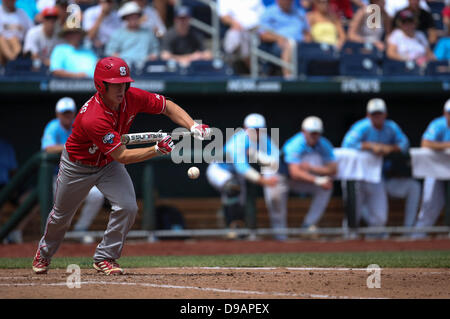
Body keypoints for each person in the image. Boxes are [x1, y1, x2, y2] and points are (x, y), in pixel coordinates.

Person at [32, 56, 211, 275]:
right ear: (101, 85)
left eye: (124, 83)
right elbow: (123, 155)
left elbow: (167, 106)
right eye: (115, 84)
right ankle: (44, 252)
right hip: (78, 165)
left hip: (107, 163)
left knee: (128, 207)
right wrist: (156, 150)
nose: (121, 88)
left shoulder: (132, 97)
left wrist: (192, 125)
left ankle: (105, 257)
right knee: (61, 216)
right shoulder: (93, 118)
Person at [341, 98, 421, 229]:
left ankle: (375, 240)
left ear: (385, 114)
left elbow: (405, 144)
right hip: (358, 177)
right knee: (352, 215)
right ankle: (348, 241)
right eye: (374, 114)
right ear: (368, 115)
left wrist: (389, 148)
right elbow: (346, 144)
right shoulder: (361, 127)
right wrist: (371, 146)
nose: (377, 117)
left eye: (379, 114)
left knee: (380, 218)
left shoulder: (391, 127)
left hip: (377, 177)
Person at [206, 114, 284, 240]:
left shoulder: (264, 139)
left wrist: (257, 155)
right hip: (220, 170)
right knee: (232, 187)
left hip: (238, 175)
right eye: (253, 129)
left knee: (245, 199)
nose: (256, 132)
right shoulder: (239, 140)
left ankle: (246, 232)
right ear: (245, 128)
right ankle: (230, 228)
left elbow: (275, 160)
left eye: (259, 129)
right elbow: (242, 168)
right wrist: (264, 180)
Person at [41, 97, 105, 243]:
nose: (67, 116)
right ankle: (48, 238)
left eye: (69, 113)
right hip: (56, 177)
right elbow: (48, 148)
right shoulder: (53, 126)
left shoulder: (78, 125)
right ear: (58, 114)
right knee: (59, 207)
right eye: (64, 113)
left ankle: (80, 230)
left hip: (78, 175)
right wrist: (72, 147)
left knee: (96, 195)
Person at [280, 116, 337, 232]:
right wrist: (318, 180)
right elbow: (294, 172)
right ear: (304, 132)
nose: (314, 136)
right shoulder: (295, 144)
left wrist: (312, 168)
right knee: (276, 198)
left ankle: (308, 225)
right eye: (311, 133)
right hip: (283, 179)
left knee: (326, 188)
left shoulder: (323, 144)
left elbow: (333, 169)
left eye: (316, 133)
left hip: (306, 178)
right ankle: (280, 235)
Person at [413, 100, 450, 238]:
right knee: (430, 204)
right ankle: (418, 238)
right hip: (436, 168)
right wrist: (447, 145)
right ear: (445, 113)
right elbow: (425, 143)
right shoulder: (438, 124)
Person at [259, 0, 312, 77]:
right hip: (277, 45)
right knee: (290, 45)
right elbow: (263, 35)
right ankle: (289, 77)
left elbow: (307, 33)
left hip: (300, 44)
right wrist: (278, 38)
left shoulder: (299, 13)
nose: (288, 2)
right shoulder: (268, 13)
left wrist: (307, 40)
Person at [105, 1, 159, 67]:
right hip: (123, 68)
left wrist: (153, 56)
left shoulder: (148, 33)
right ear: (125, 18)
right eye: (130, 17)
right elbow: (110, 52)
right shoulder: (118, 34)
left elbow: (155, 50)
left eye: (135, 16)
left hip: (146, 68)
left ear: (139, 17)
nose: (133, 19)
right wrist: (120, 59)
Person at [218, 0, 265, 74]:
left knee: (241, 36)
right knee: (236, 35)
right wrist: (235, 24)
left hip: (256, 31)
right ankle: (253, 69)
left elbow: (262, 15)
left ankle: (253, 70)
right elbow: (223, 16)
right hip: (237, 30)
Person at [0, 0, 34, 65]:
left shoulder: (22, 13)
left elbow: (31, 32)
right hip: (2, 47)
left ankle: (14, 62)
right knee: (2, 40)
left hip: (19, 44)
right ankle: (14, 61)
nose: (9, 1)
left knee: (14, 40)